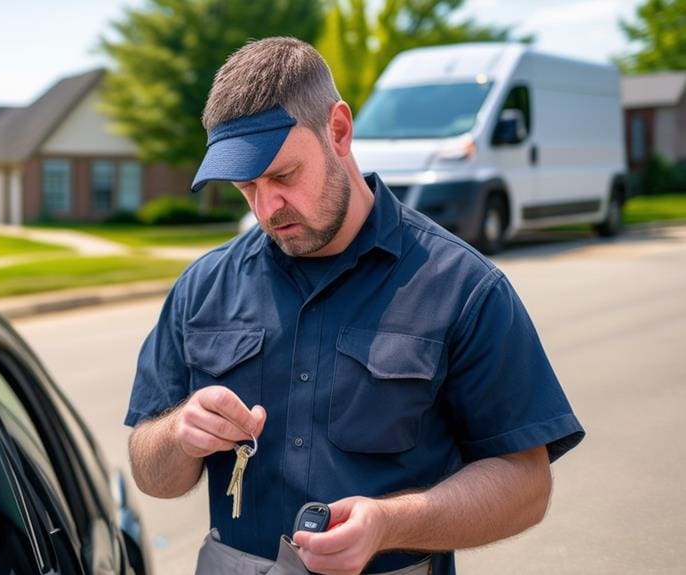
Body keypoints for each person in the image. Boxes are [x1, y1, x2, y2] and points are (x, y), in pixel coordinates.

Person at [124, 37, 584, 575]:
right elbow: (150, 473)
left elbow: (526, 483)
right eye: (246, 186)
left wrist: (392, 524)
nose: (266, 207)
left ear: (338, 130)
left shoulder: (462, 285)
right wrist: (180, 433)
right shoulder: (204, 286)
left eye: (283, 176)